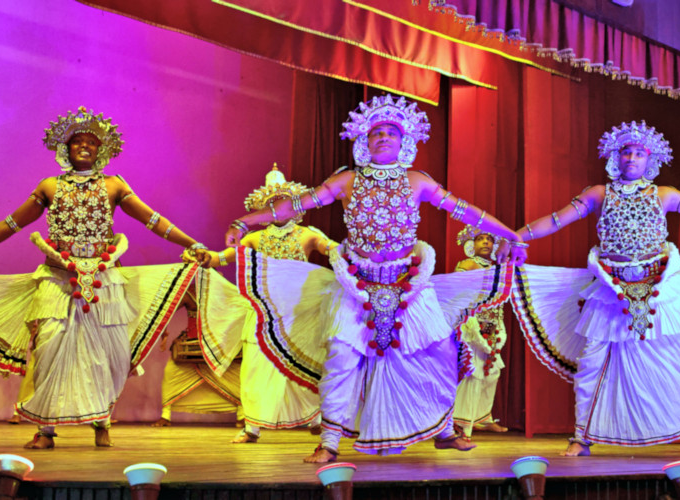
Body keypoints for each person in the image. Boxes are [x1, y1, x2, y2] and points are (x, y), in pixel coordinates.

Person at [224, 94, 527, 463]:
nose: (383, 136)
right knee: (341, 358)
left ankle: (445, 431)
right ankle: (329, 443)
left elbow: (468, 211)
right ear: (364, 142)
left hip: (408, 283)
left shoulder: (418, 181)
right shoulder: (346, 180)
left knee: (436, 354)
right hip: (355, 281)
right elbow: (295, 206)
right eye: (376, 132)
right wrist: (244, 221)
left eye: (391, 132)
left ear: (405, 141)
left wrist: (511, 236)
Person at [509, 121, 680, 457]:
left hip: (661, 283)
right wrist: (516, 235)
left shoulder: (663, 194)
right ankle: (582, 436)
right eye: (626, 151)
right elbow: (555, 219)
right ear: (615, 156)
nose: (632, 158)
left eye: (639, 152)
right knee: (593, 361)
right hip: (612, 287)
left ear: (649, 159)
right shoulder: (598, 193)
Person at [0, 106, 209, 449]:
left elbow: (154, 221)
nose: (85, 147)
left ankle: (101, 422)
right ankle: (45, 431)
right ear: (66, 149)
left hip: (103, 280)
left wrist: (192, 243)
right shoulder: (49, 185)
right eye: (78, 142)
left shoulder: (114, 185)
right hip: (58, 278)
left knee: (106, 354)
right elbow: (13, 223)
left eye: (92, 143)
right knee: (48, 349)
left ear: (102, 150)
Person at [200, 165, 336, 443]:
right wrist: (205, 257)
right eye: (272, 203)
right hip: (262, 312)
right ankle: (252, 426)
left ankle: (314, 417)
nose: (278, 207)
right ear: (264, 207)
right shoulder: (253, 238)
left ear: (293, 205)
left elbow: (331, 249)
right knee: (255, 367)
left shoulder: (308, 234)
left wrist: (348, 253)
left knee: (305, 362)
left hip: (298, 311)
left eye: (283, 202)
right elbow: (223, 258)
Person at [149, 290, 245, 429]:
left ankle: (242, 416)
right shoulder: (190, 293)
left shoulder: (223, 288)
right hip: (192, 345)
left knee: (235, 379)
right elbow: (166, 312)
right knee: (171, 375)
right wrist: (164, 332)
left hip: (218, 345)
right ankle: (165, 416)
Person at [452, 226, 510, 440]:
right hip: (472, 324)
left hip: (493, 325)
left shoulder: (498, 268)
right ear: (471, 245)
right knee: (473, 372)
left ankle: (483, 418)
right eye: (480, 239)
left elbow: (498, 302)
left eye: (489, 239)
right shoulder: (467, 265)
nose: (486, 242)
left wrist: (499, 328)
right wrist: (471, 327)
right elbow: (461, 296)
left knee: (492, 372)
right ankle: (460, 422)